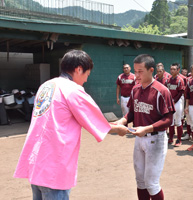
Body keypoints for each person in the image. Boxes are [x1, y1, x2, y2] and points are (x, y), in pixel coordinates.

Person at [13, 50, 128, 199]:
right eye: (87, 75)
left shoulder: (46, 86)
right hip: (54, 167)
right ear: (79, 69)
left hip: (37, 163)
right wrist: (119, 128)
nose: (86, 80)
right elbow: (97, 123)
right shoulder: (73, 90)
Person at [116, 54, 175, 200]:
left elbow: (168, 119)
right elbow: (132, 113)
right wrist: (121, 121)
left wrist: (147, 128)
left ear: (151, 70)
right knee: (140, 181)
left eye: (140, 71)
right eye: (135, 71)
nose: (136, 75)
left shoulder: (162, 91)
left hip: (156, 139)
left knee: (151, 183)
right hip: (139, 138)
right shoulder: (135, 89)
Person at [165, 63, 185, 146]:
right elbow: (165, 91)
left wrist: (174, 101)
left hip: (177, 102)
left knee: (178, 121)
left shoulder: (180, 80)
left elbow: (180, 92)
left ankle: (179, 139)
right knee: (171, 121)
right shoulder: (168, 80)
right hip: (170, 102)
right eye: (171, 69)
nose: (172, 71)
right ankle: (171, 138)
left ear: (178, 70)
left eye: (174, 69)